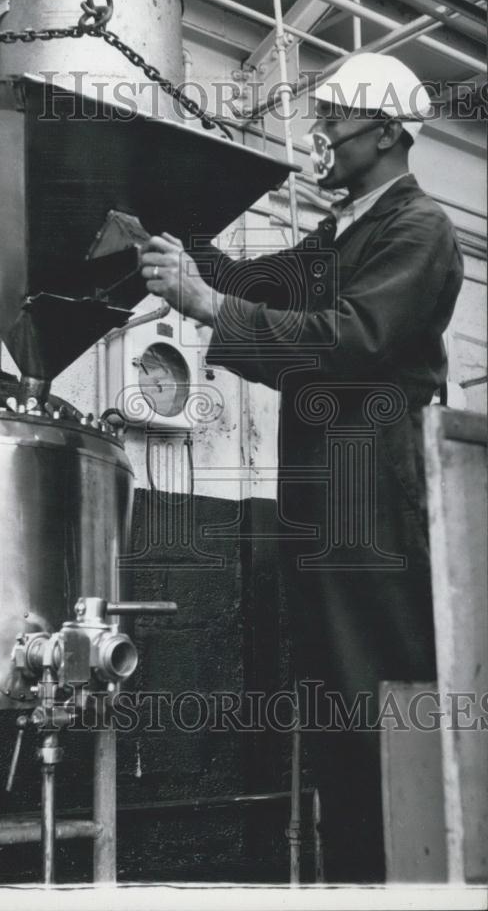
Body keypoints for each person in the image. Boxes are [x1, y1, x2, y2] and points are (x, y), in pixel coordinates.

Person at [138, 53, 464, 882]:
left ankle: (417, 878)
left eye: (333, 119)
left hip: (374, 495)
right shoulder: (342, 233)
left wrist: (210, 305)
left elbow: (355, 340)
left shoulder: (417, 230)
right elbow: (267, 288)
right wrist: (185, 252)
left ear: (386, 132)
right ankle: (360, 878)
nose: (319, 135)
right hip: (322, 497)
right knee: (335, 714)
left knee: (382, 704)